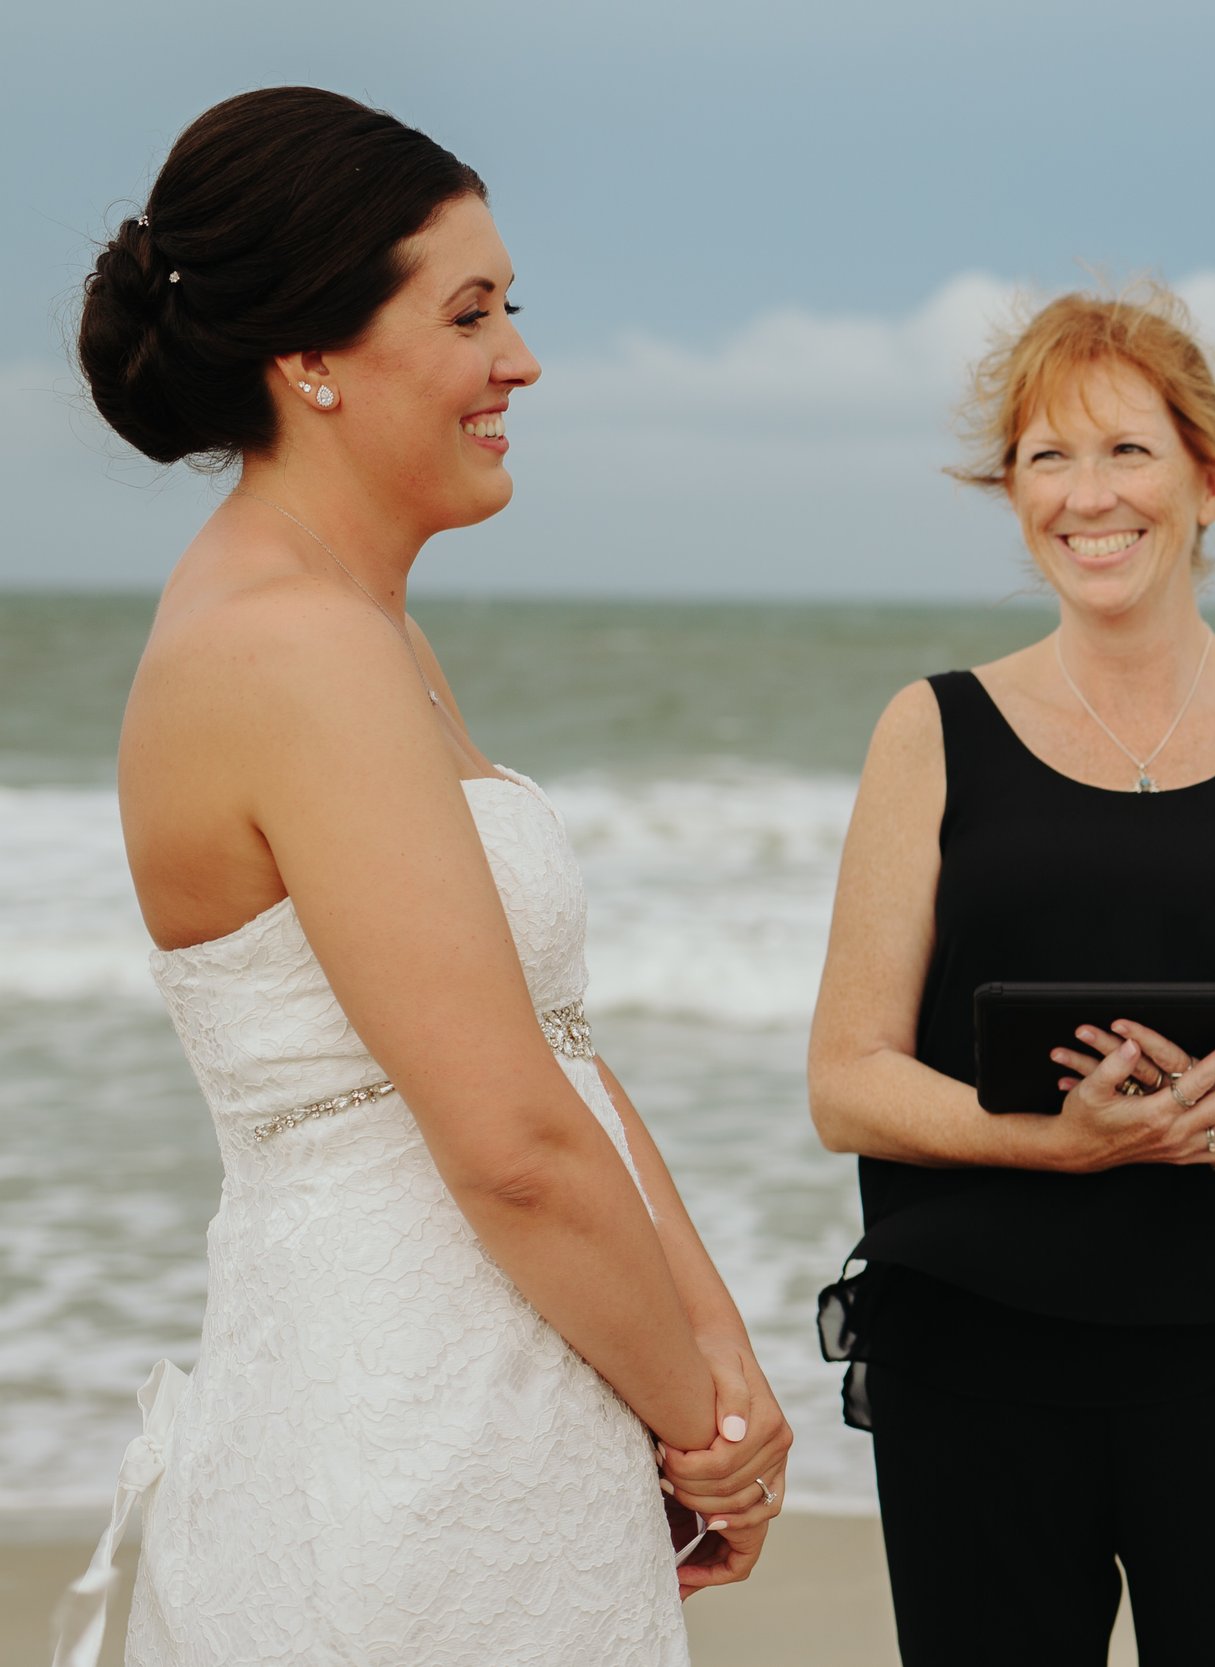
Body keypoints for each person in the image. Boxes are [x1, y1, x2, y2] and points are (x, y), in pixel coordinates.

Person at [61, 88, 788, 1667]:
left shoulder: (364, 625)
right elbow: (510, 1144)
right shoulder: (292, 648)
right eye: (469, 313)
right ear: (309, 356)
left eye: (511, 306)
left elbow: (556, 1046)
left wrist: (718, 1359)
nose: (519, 358)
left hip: (517, 1382)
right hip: (410, 1425)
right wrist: (697, 1423)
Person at [808, 282, 1215, 1666]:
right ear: (1011, 489)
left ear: (1211, 478)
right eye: (1046, 456)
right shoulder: (932, 729)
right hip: (977, 1345)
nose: (1088, 495)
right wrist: (1060, 1142)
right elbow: (845, 1079)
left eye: (1127, 450)